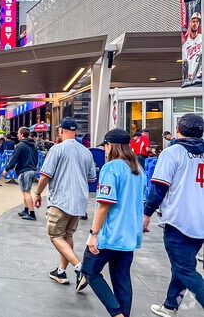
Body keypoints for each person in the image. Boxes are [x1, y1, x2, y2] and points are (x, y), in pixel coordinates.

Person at [143, 113, 204, 317]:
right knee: (183, 265)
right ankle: (170, 305)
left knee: (185, 268)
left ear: (178, 129)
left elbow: (159, 187)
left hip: (179, 219)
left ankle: (171, 305)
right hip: (200, 220)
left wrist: (147, 213)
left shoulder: (172, 153)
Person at [82, 129, 145, 317]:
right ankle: (124, 314)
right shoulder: (138, 169)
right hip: (130, 234)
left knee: (90, 270)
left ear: (110, 145)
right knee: (121, 277)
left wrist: (94, 233)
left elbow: (104, 205)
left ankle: (116, 313)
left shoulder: (111, 168)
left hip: (110, 233)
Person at [33, 117, 96, 290]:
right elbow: (92, 178)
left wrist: (38, 193)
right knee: (67, 235)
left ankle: (79, 268)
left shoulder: (57, 149)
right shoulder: (86, 152)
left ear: (62, 130)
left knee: (55, 235)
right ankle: (61, 271)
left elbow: (46, 175)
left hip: (61, 200)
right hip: (79, 202)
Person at [4, 127, 39, 221]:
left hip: (24, 170)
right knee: (26, 191)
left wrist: (7, 169)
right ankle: (26, 209)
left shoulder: (21, 145)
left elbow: (14, 158)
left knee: (26, 192)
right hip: (32, 169)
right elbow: (36, 158)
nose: (17, 135)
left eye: (19, 133)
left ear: (22, 134)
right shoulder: (34, 145)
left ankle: (31, 213)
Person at [182, 11, 202, 86]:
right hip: (190, 79)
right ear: (190, 23)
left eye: (197, 22)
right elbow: (184, 64)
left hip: (200, 76)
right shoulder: (185, 45)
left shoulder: (201, 38)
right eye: (193, 21)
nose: (195, 24)